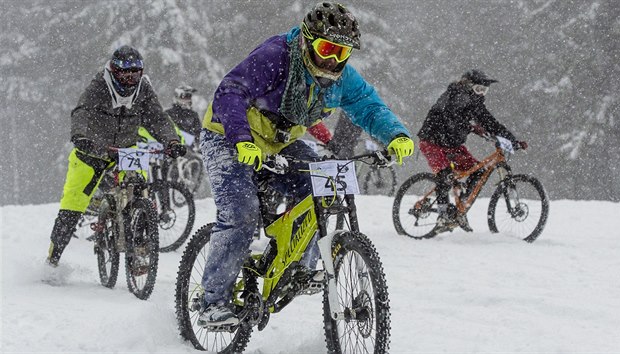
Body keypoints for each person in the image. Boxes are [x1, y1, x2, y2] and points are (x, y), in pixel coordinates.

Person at [197, 2, 414, 326]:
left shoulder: (341, 80)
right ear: (306, 41)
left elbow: (368, 106)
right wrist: (242, 139)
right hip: (228, 136)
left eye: (341, 53)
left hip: (278, 142)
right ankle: (212, 301)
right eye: (326, 48)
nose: (332, 60)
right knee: (242, 212)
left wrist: (396, 135)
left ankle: (299, 265)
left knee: (325, 187)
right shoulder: (276, 56)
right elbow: (231, 92)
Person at [46, 45, 187, 267]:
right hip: (92, 151)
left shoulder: (144, 89)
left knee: (139, 191)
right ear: (114, 71)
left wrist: (171, 141)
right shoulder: (99, 85)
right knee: (73, 205)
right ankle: (53, 259)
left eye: (135, 74)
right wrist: (80, 135)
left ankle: (139, 251)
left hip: (127, 150)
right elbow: (82, 111)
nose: (130, 79)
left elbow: (157, 119)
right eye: (125, 74)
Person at [417, 69, 528, 231]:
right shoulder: (455, 95)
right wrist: (471, 127)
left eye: (484, 90)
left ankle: (459, 211)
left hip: (453, 146)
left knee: (477, 172)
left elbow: (490, 122)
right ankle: (443, 215)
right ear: (468, 86)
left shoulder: (475, 104)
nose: (481, 94)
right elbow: (450, 116)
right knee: (445, 175)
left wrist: (512, 140)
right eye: (478, 89)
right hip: (432, 142)